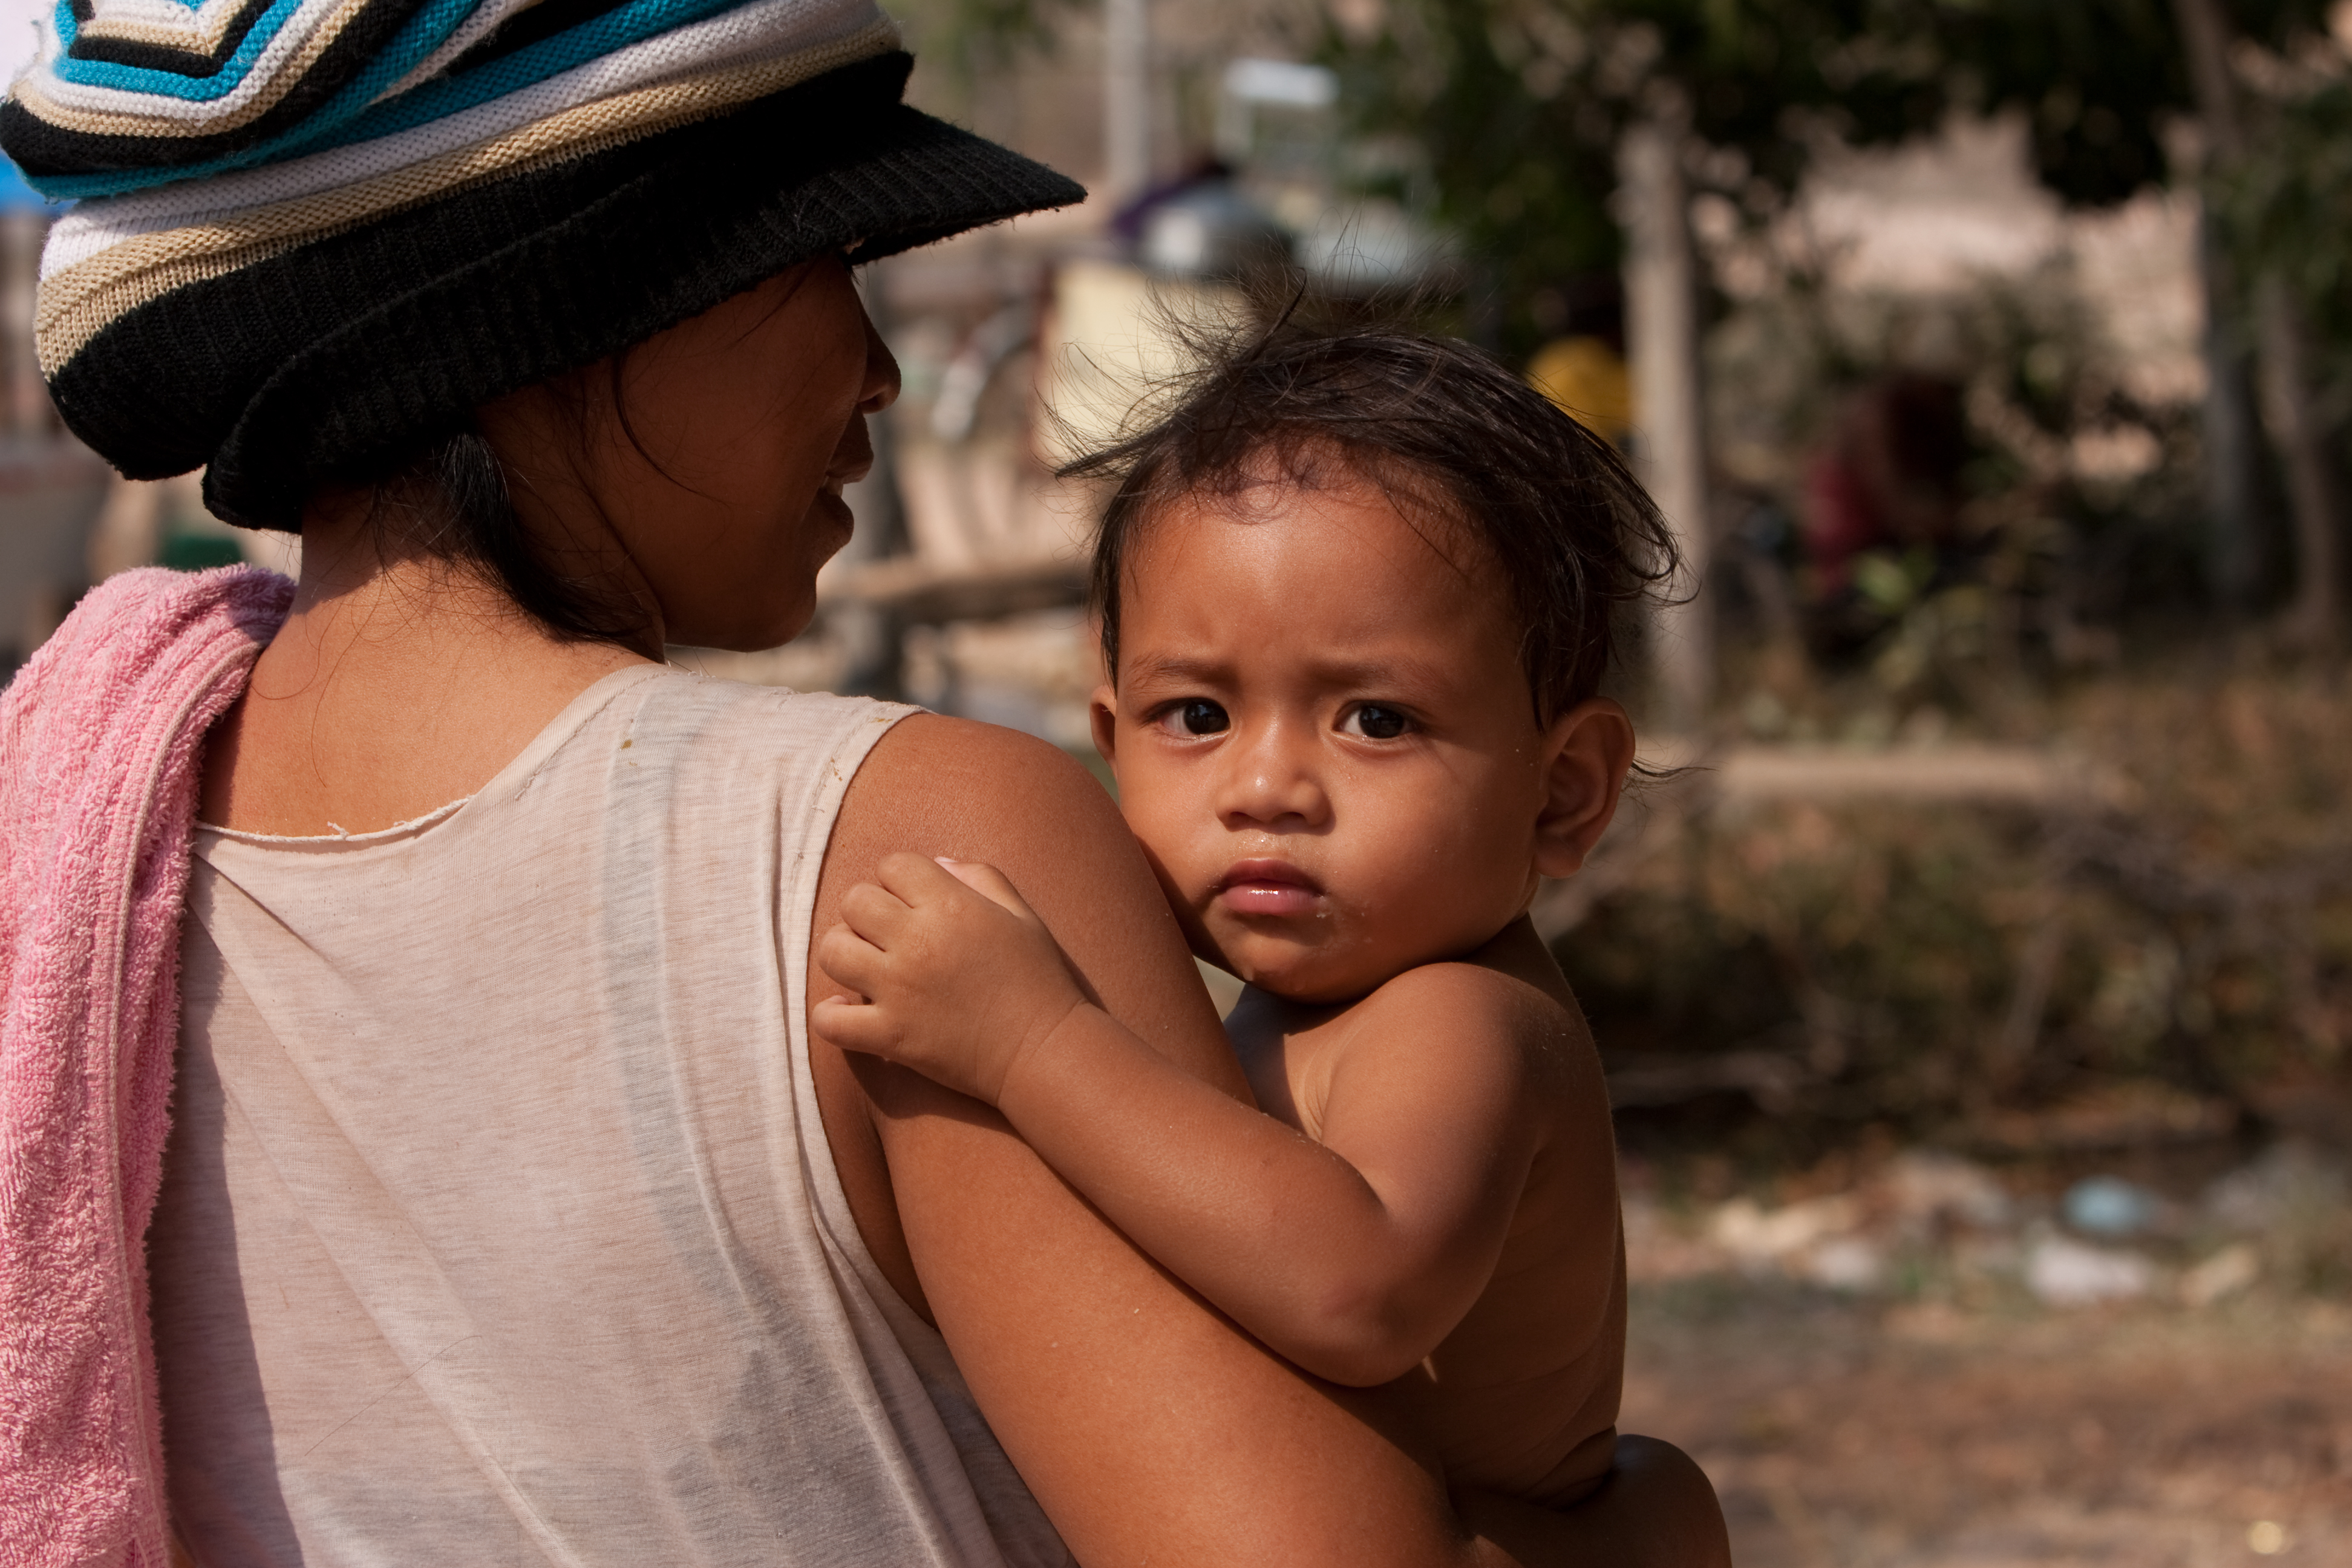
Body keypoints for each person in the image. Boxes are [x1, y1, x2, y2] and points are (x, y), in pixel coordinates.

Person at [0, 0, 1730, 1560]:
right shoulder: (905, 853)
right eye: (827, 260)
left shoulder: (95, 866)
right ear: (596, 301)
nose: (885, 366)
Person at [818, 321, 1666, 1509]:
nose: (1264, 788)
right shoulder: (1310, 1011)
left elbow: (1356, 1289)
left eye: (1375, 719)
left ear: (1563, 791)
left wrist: (1031, 1042)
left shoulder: (1463, 1018)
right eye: (1199, 717)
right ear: (1112, 747)